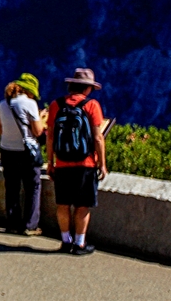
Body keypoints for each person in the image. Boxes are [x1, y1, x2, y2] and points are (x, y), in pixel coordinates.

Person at [46, 68, 108, 255]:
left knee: (63, 204)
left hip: (63, 163)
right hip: (85, 164)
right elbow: (98, 138)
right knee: (83, 206)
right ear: (88, 88)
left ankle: (66, 241)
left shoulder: (56, 105)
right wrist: (102, 163)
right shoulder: (91, 106)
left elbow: (50, 137)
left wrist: (51, 162)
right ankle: (80, 244)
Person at [0, 73, 45, 236]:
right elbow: (37, 131)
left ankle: (12, 223)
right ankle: (30, 225)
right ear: (28, 91)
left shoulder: (3, 104)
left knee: (12, 188)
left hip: (7, 150)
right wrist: (42, 118)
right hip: (25, 152)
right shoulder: (30, 104)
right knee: (33, 187)